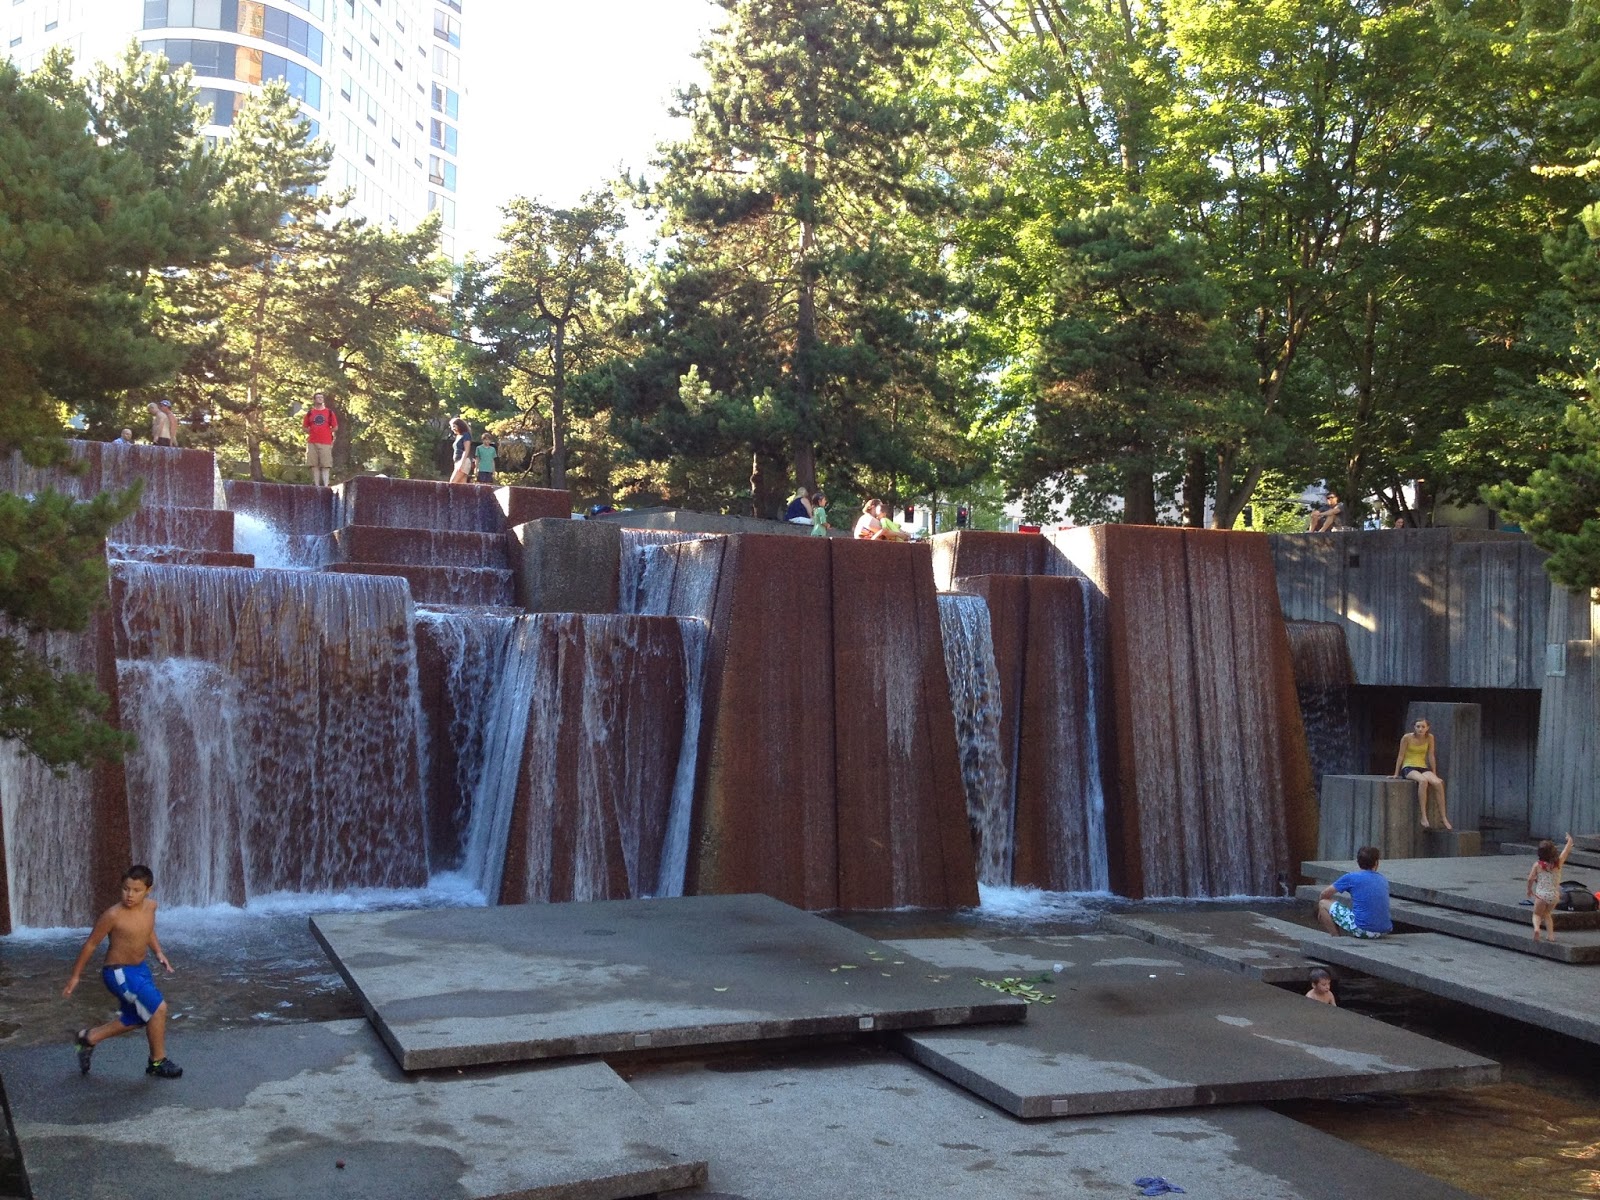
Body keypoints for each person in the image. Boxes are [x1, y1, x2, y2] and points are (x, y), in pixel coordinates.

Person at [63, 864, 182, 1079]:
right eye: (126, 889)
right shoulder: (113, 915)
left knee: (138, 1017)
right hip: (118, 973)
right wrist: (75, 976)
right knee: (158, 1009)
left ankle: (88, 1038)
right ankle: (157, 1062)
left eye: (136, 890)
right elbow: (90, 944)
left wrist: (159, 952)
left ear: (148, 890)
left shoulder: (151, 907)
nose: (130, 895)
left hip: (140, 970)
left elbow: (148, 930)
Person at [1316, 845, 1393, 939]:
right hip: (1383, 931)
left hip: (1363, 930)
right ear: (1376, 863)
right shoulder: (1383, 879)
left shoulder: (1351, 877)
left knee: (1323, 903)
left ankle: (1336, 938)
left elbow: (1324, 894)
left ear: (1358, 862)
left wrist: (1321, 911)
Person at [1392, 717, 1450, 830]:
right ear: (1414, 727)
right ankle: (1423, 816)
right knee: (1423, 781)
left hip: (1422, 766)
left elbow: (1431, 755)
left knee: (1438, 783)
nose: (1420, 729)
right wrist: (1396, 773)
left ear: (1427, 728)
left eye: (1423, 727)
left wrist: (1434, 773)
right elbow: (1401, 755)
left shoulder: (1430, 737)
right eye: (1418, 726)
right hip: (1408, 767)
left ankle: (1443, 817)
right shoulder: (1407, 737)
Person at [1527, 833, 1574, 943]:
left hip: (1541, 895)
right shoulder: (1558, 863)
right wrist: (1569, 841)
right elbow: (1565, 852)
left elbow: (1530, 879)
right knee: (1547, 914)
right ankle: (1551, 935)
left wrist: (1529, 889)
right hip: (1554, 896)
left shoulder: (1537, 865)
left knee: (1537, 914)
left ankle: (1537, 929)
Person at [302, 391, 338, 488]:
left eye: (321, 398)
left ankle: (326, 485)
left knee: (326, 465)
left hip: (326, 442)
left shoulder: (329, 413)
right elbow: (304, 427)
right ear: (314, 400)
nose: (320, 399)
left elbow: (335, 427)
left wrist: (327, 431)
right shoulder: (310, 413)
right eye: (318, 398)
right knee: (314, 465)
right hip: (312, 441)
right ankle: (317, 486)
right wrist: (312, 431)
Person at [447, 418, 473, 484]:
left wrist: (461, 463)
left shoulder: (466, 435)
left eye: (454, 426)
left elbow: (466, 450)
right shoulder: (458, 436)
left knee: (452, 483)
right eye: (452, 427)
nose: (452, 428)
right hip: (458, 462)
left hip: (463, 461)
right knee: (461, 486)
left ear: (459, 425)